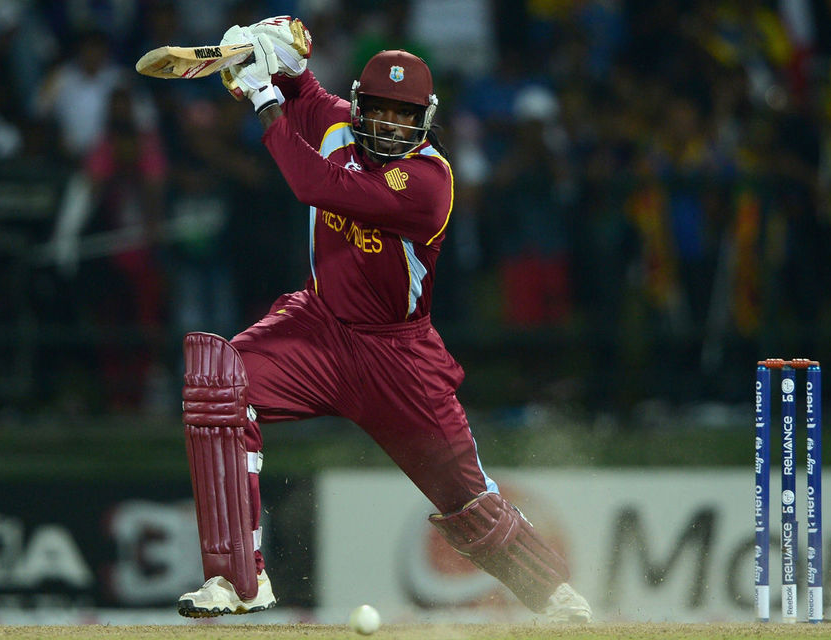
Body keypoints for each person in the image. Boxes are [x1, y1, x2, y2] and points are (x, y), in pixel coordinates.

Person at [174, 16, 592, 623]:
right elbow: (307, 92)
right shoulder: (338, 122)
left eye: (404, 113)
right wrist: (272, 53)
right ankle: (235, 580)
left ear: (425, 117)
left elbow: (311, 181)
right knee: (218, 381)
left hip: (400, 357)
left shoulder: (430, 182)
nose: (391, 124)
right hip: (318, 329)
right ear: (361, 106)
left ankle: (555, 596)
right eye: (381, 110)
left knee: (466, 501)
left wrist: (264, 94)